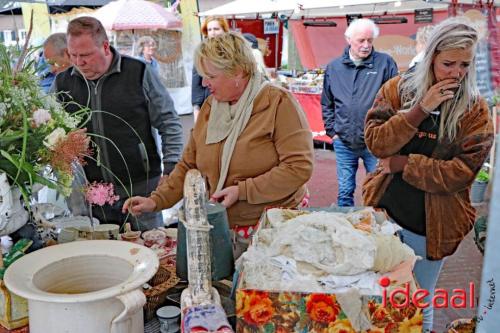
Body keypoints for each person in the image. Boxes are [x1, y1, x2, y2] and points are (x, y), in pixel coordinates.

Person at [124, 32, 314, 256]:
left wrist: (243, 191)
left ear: (238, 72)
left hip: (272, 230)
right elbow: (189, 165)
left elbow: (298, 168)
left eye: (211, 76)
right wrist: (155, 201)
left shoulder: (279, 103)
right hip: (224, 226)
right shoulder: (210, 107)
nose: (204, 83)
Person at [363, 17, 494, 332]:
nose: (456, 73)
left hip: (434, 225)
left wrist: (404, 164)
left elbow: (460, 174)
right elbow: (376, 141)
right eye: (448, 63)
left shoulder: (475, 111)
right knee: (380, 293)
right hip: (385, 211)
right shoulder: (397, 89)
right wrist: (419, 109)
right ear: (432, 56)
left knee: (421, 298)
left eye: (465, 65)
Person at [52, 16, 183, 231]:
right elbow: (50, 134)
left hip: (140, 187)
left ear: (105, 47)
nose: (78, 62)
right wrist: (65, 143)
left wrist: (170, 167)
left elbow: (169, 122)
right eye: (72, 55)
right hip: (90, 193)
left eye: (85, 55)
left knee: (148, 251)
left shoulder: (138, 72)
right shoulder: (62, 83)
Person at [321, 18, 398, 207]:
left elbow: (397, 100)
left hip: (375, 143)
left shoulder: (385, 63)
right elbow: (327, 102)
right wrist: (333, 132)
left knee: (379, 190)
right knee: (345, 191)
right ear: (349, 39)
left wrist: (386, 133)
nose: (366, 46)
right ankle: (345, 232)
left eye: (370, 41)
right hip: (344, 142)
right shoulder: (334, 67)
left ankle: (377, 232)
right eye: (361, 41)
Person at [191, 16, 229, 120]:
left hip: (231, 101)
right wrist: (196, 108)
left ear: (224, 30)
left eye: (216, 29)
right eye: (209, 29)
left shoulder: (233, 50)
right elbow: (196, 82)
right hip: (209, 101)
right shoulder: (201, 52)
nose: (213, 32)